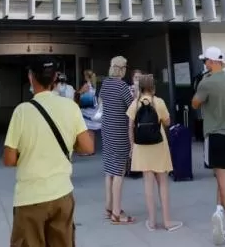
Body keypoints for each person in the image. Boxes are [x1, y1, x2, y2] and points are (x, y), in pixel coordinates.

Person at [4, 60, 93, 247]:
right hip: (62, 193)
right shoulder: (71, 107)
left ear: (31, 78)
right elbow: (87, 147)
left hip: (30, 198)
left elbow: (9, 159)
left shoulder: (21, 112)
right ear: (54, 78)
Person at [192, 47, 225, 246]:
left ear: (211, 62)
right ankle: (220, 210)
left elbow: (195, 103)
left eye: (205, 61)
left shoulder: (207, 82)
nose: (204, 64)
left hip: (216, 134)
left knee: (222, 180)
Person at [126, 75, 182, 232]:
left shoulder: (135, 103)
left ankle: (151, 222)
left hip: (141, 147)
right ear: (152, 88)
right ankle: (167, 221)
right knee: (162, 183)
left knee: (148, 184)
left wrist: (132, 147)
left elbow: (130, 127)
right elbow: (167, 122)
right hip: (158, 145)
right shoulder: (159, 102)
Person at [99, 56, 136, 224]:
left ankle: (108, 207)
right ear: (122, 69)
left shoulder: (105, 84)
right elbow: (132, 107)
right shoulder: (122, 86)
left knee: (109, 169)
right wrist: (135, 95)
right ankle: (116, 213)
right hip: (119, 131)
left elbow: (102, 101)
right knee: (119, 171)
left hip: (106, 129)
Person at [77, 70, 102, 154]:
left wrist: (79, 92)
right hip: (92, 110)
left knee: (88, 130)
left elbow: (79, 94)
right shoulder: (94, 86)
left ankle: (89, 150)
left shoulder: (86, 85)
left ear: (86, 77)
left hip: (86, 110)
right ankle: (91, 149)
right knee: (91, 131)